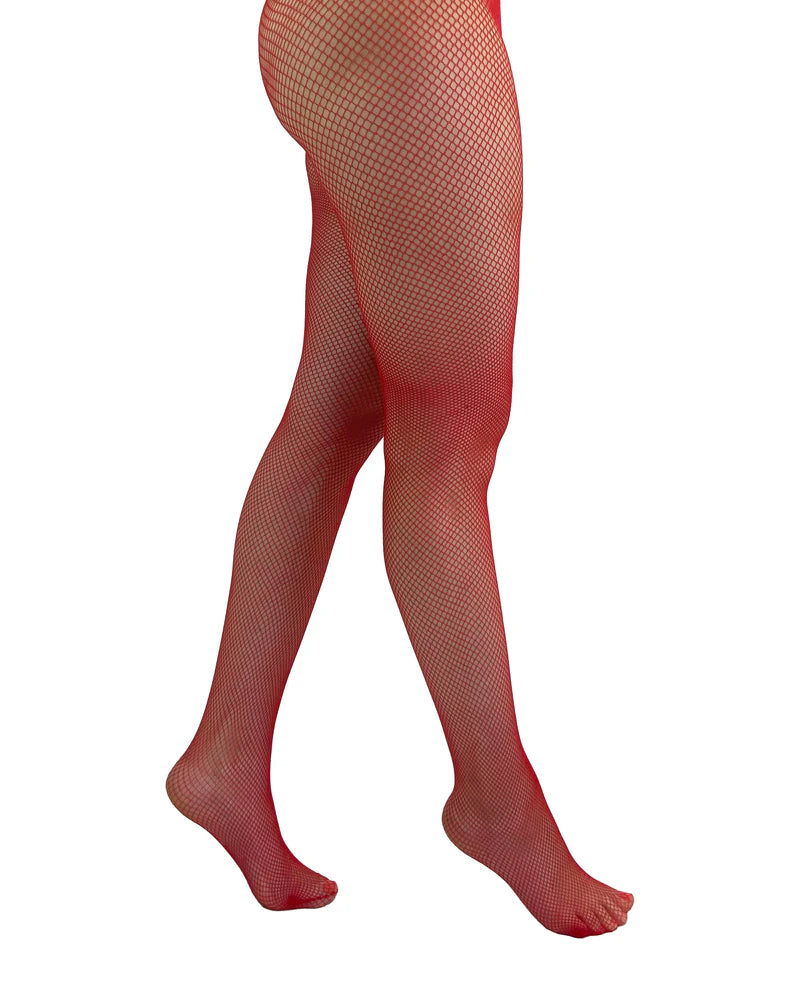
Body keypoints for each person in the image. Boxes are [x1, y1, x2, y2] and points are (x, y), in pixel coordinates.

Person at [166, 0, 634, 937]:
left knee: (339, 409)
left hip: (371, 30)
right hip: (409, 29)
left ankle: (225, 754)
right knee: (450, 434)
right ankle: (496, 799)